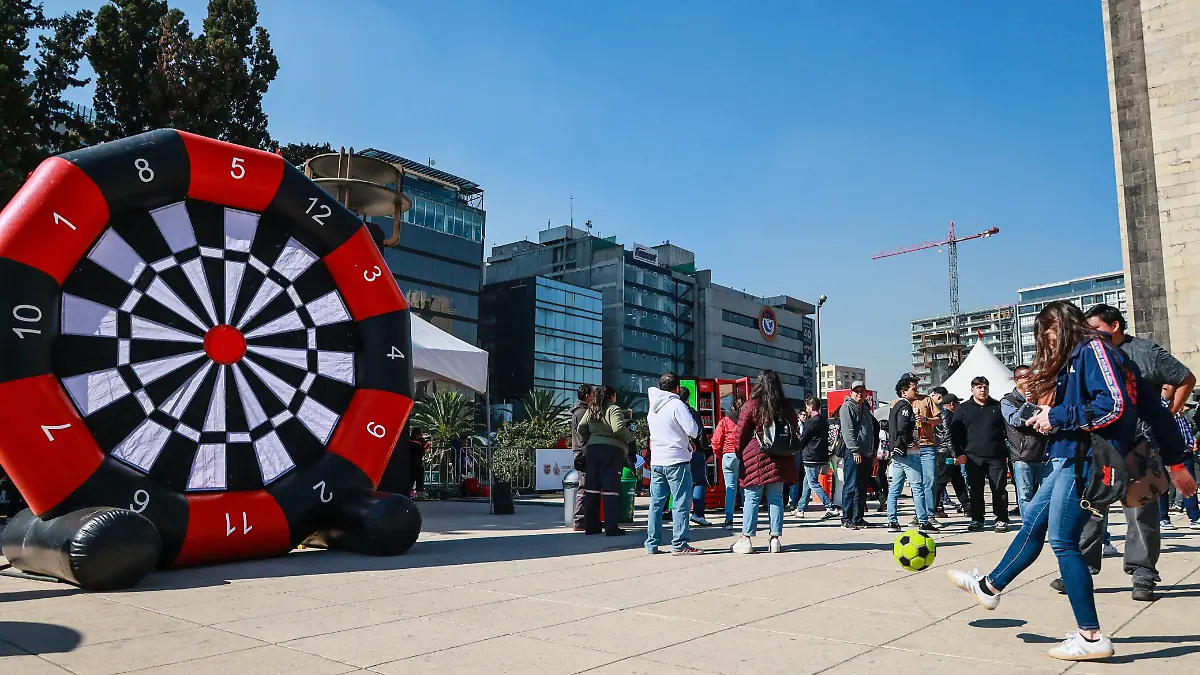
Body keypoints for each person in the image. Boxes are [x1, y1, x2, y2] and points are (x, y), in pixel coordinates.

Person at [946, 301, 1197, 662]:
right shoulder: (1106, 354)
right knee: (1033, 523)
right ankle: (990, 586)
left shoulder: (1091, 351)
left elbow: (1112, 405)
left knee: (1063, 542)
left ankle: (1091, 636)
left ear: (1055, 326)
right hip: (1072, 456)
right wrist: (1175, 462)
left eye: (1044, 336)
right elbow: (1153, 410)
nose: (1045, 345)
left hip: (1085, 460)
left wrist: (1057, 415)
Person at [1079, 304, 1197, 600]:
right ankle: (1080, 568)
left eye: (1096, 328)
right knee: (1091, 510)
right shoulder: (1090, 355)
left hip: (1142, 445)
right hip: (1102, 446)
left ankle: (1142, 573)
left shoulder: (1146, 352)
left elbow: (1185, 378)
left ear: (1115, 326)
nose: (1091, 334)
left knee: (1141, 512)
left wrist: (1170, 411)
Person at [731, 370, 799, 553]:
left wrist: (741, 453)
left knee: (752, 498)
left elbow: (740, 434)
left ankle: (746, 540)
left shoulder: (752, 405)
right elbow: (793, 431)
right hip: (781, 458)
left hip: (756, 457)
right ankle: (775, 539)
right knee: (776, 498)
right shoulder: (786, 406)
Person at [645, 372, 703, 555]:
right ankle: (680, 544)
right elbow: (693, 430)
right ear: (677, 388)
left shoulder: (653, 406)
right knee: (680, 503)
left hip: (657, 461)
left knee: (656, 503)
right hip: (677, 459)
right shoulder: (677, 404)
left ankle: (652, 544)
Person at [951, 376, 1011, 533]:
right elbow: (955, 434)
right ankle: (977, 519)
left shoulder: (997, 406)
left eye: (985, 387)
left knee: (999, 488)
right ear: (972, 389)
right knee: (976, 489)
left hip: (996, 455)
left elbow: (1008, 430)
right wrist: (959, 454)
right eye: (979, 387)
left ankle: (1001, 519)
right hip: (973, 456)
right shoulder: (963, 408)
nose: (982, 390)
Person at [579, 385, 632, 537]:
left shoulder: (592, 409)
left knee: (592, 489)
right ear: (612, 396)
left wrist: (591, 438)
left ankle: (591, 526)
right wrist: (630, 437)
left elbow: (581, 428)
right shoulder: (613, 409)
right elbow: (618, 429)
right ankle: (611, 528)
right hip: (612, 451)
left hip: (592, 450)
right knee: (610, 490)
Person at [887, 374, 936, 532]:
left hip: (897, 452)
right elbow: (902, 427)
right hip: (908, 452)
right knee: (918, 486)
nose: (916, 392)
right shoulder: (905, 406)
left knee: (895, 487)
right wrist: (910, 442)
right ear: (903, 391)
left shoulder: (895, 406)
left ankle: (892, 520)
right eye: (913, 389)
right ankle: (923, 520)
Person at [1001, 366, 1050, 520]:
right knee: (1025, 495)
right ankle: (1029, 526)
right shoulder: (1007, 400)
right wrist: (1028, 403)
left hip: (1044, 453)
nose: (1030, 379)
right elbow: (1015, 421)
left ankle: (1046, 522)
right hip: (1022, 455)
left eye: (1031, 376)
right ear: (1017, 380)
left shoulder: (1041, 397)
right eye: (1025, 377)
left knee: (1049, 492)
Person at [793, 397, 837, 519]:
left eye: (807, 407)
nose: (806, 409)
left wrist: (795, 443)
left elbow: (803, 440)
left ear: (811, 407)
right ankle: (800, 508)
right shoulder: (823, 421)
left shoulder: (810, 422)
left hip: (810, 456)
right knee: (807, 482)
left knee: (813, 483)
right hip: (820, 455)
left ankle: (830, 507)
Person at [839, 381, 876, 529]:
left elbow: (871, 432)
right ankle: (846, 518)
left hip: (866, 453)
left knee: (861, 487)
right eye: (856, 391)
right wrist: (855, 450)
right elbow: (848, 431)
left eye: (862, 391)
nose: (859, 394)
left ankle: (858, 517)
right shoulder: (847, 407)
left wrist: (873, 452)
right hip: (853, 452)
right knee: (850, 485)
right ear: (851, 393)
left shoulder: (865, 408)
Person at [711, 390, 746, 530]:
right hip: (744, 455)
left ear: (732, 407)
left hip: (728, 455)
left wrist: (720, 455)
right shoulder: (747, 421)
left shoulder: (725, 421)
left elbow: (716, 441)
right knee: (746, 489)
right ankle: (748, 519)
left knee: (730, 489)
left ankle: (729, 520)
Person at [679, 386, 712, 527]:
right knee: (699, 482)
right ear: (688, 398)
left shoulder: (666, 410)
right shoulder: (692, 412)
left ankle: (677, 514)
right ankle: (698, 514)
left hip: (675, 453)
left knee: (679, 485)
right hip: (694, 451)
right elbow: (700, 434)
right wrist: (707, 451)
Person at [933, 393, 969, 517]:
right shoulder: (947, 415)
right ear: (952, 404)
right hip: (946, 454)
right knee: (942, 480)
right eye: (957, 403)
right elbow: (948, 436)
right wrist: (954, 455)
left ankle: (967, 505)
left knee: (957, 479)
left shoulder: (941, 414)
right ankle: (936, 507)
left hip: (945, 452)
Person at [914, 386, 945, 526]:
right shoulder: (899, 402)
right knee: (915, 483)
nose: (914, 388)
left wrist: (926, 419)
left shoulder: (926, 400)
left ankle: (930, 514)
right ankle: (919, 514)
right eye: (911, 385)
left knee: (930, 480)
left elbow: (939, 420)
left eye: (915, 385)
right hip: (910, 447)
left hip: (927, 445)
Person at [569, 384, 593, 531]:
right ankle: (579, 519)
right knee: (584, 486)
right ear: (587, 396)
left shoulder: (578, 412)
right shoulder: (583, 412)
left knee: (585, 485)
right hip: (583, 452)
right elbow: (586, 435)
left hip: (579, 451)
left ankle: (583, 518)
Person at [408, 429, 428, 497]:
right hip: (416, 461)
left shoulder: (409, 440)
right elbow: (426, 447)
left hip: (410, 461)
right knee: (418, 475)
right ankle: (419, 491)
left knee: (412, 477)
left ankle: (410, 491)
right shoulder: (419, 441)